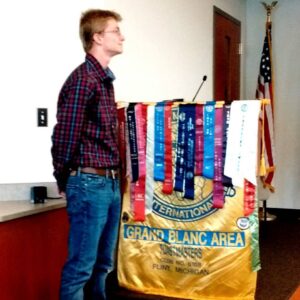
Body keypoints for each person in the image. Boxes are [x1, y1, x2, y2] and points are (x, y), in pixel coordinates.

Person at [51, 9, 125, 300]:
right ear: (97, 37)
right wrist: (65, 179)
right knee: (81, 267)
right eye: (115, 30)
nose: (122, 36)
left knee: (103, 265)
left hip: (109, 183)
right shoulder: (84, 80)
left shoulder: (104, 80)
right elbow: (64, 136)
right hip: (88, 183)